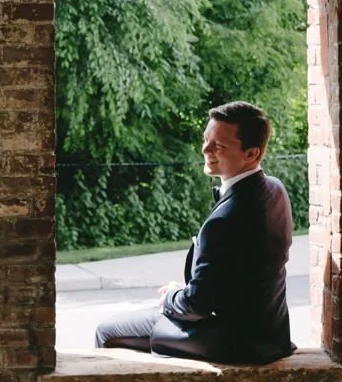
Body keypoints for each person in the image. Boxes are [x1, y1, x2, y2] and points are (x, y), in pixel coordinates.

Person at [93, 101, 296, 366]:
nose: (205, 149)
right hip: (272, 334)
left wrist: (171, 296)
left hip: (235, 341)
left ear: (251, 154)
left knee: (106, 331)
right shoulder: (274, 189)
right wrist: (190, 291)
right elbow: (240, 273)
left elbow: (196, 306)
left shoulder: (226, 219)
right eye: (205, 140)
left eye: (218, 145)